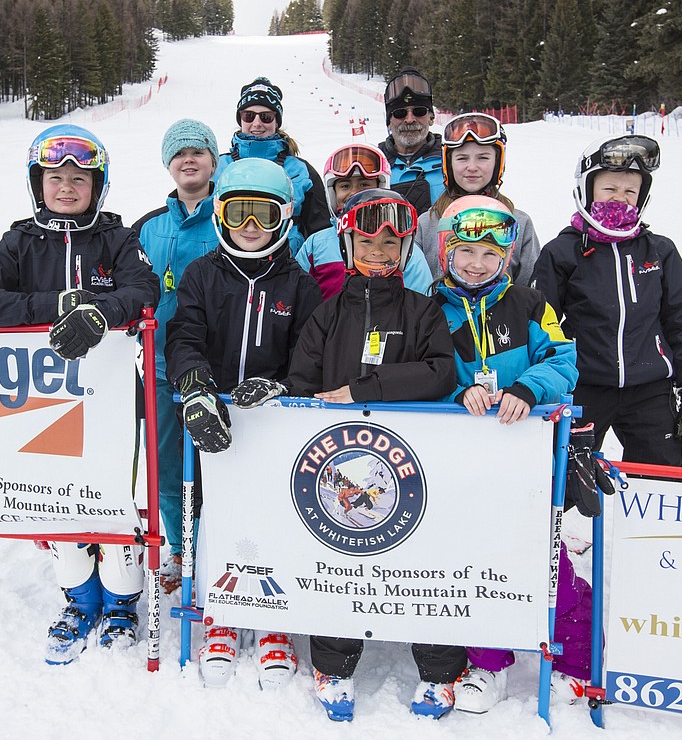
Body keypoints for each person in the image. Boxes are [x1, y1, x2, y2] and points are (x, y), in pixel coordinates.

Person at [228, 189, 464, 722]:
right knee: (340, 554)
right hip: (340, 462)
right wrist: (284, 397)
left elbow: (441, 372)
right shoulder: (328, 311)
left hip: (408, 464)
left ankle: (439, 666)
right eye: (366, 241)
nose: (378, 251)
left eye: (391, 242)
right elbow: (302, 380)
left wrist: (367, 389)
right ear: (346, 242)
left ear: (407, 250)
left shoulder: (422, 310)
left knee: (421, 559)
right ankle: (333, 662)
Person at [0, 124, 159, 665]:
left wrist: (101, 310)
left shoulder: (115, 239)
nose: (67, 188)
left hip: (114, 397)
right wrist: (55, 304)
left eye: (79, 178)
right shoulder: (19, 241)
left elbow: (143, 291)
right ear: (37, 183)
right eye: (55, 178)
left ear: (98, 185)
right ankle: (80, 599)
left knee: (115, 495)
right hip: (46, 402)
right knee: (59, 497)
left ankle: (121, 601)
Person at [428, 195, 593, 713]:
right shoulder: (430, 308)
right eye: (465, 252)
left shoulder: (528, 304)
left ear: (506, 258)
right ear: (446, 254)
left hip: (524, 462)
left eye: (488, 254)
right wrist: (456, 394)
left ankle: (574, 661)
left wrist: (528, 386)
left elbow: (564, 359)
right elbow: (426, 369)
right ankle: (488, 661)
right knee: (476, 564)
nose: (476, 264)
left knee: (544, 559)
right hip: (463, 467)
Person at [165, 157, 322, 689]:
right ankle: (222, 612)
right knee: (213, 512)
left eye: (262, 212)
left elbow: (309, 352)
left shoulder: (297, 285)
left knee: (274, 514)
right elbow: (184, 336)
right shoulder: (203, 275)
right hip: (215, 417)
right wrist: (196, 386)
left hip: (272, 424)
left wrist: (285, 389)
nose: (250, 225)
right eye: (238, 212)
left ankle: (272, 617)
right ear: (220, 216)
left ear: (283, 216)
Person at [530, 135, 682, 468]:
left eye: (630, 192)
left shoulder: (659, 250)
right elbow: (542, 324)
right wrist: (542, 385)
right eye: (609, 190)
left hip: (650, 389)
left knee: (662, 482)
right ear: (587, 190)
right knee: (561, 482)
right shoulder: (562, 253)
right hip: (583, 386)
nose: (619, 200)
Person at [132, 118, 223, 594]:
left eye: (198, 151)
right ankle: (180, 546)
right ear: (168, 164)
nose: (189, 160)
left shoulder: (231, 214)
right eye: (179, 153)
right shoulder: (150, 226)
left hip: (217, 367)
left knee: (216, 462)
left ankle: (219, 545)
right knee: (167, 463)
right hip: (162, 366)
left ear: (213, 159)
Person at [295, 143, 434, 299]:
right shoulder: (316, 245)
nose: (354, 193)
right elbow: (299, 300)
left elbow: (421, 303)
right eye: (345, 186)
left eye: (364, 184)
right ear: (333, 193)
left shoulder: (403, 246)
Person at [418, 112, 540, 286]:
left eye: (483, 158)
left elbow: (531, 293)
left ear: (498, 162)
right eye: (462, 158)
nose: (472, 167)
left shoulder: (519, 222)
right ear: (448, 164)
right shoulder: (427, 223)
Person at [216, 76, 330, 249]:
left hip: (287, 264)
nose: (257, 123)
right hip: (226, 264)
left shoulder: (301, 170)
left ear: (277, 121)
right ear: (240, 120)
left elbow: (320, 231)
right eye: (248, 116)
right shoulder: (219, 165)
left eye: (266, 117)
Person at [376, 68, 445, 216]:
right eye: (400, 113)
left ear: (432, 118)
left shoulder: (453, 163)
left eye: (419, 111)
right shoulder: (373, 167)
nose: (409, 119)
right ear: (389, 122)